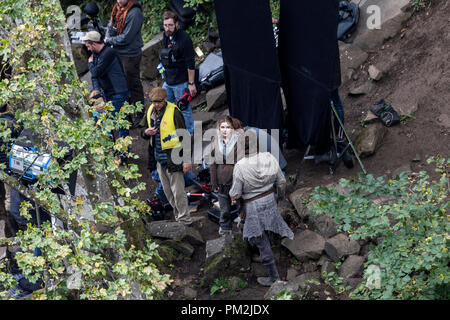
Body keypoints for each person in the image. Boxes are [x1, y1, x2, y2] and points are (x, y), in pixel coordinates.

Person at [229, 131, 294, 286]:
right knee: (267, 227)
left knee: (258, 237)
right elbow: (281, 181)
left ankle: (274, 276)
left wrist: (231, 195)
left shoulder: (240, 166)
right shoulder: (269, 157)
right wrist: (280, 197)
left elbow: (236, 193)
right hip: (270, 199)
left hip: (252, 205)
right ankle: (269, 254)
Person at [141, 87, 193, 225]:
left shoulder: (174, 112)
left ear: (164, 100)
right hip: (159, 159)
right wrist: (146, 132)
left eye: (159, 102)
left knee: (178, 192)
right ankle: (178, 217)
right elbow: (142, 130)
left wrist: (187, 160)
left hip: (174, 157)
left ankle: (185, 220)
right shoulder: (150, 111)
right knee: (168, 192)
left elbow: (185, 136)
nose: (156, 104)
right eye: (154, 102)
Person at [82, 30, 130, 162]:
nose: (86, 48)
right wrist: (97, 95)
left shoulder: (108, 53)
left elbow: (96, 71)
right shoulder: (96, 54)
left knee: (120, 125)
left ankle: (124, 155)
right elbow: (94, 77)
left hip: (118, 93)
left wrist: (90, 64)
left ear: (93, 43)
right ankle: (113, 151)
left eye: (88, 45)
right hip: (107, 93)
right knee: (105, 122)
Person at [105, 0, 145, 128]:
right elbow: (110, 26)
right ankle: (126, 114)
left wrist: (109, 40)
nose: (118, 0)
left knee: (133, 84)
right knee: (120, 84)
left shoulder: (135, 13)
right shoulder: (117, 8)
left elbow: (127, 37)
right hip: (117, 52)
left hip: (130, 54)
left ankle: (140, 114)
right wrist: (108, 37)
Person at [159, 10, 196, 135]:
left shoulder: (184, 38)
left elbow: (191, 63)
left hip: (181, 81)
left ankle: (190, 134)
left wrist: (191, 83)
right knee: (165, 105)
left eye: (170, 25)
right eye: (165, 25)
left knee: (184, 107)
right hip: (168, 79)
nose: (167, 28)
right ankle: (171, 130)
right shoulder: (165, 35)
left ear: (176, 24)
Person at [209, 116, 244, 236]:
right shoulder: (215, 140)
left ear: (232, 128)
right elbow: (212, 163)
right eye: (222, 127)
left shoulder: (240, 140)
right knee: (224, 208)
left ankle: (245, 226)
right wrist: (213, 183)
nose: (225, 130)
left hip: (237, 178)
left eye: (228, 127)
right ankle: (225, 229)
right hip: (221, 180)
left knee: (242, 204)